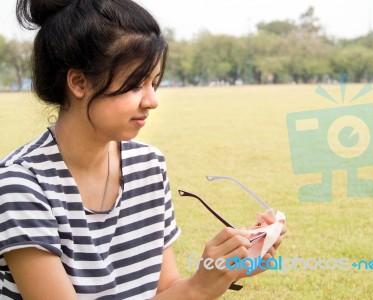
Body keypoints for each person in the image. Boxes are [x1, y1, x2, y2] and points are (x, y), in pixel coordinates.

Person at [0, 0, 285, 299]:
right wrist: (199, 287)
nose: (152, 100)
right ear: (79, 82)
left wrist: (225, 271)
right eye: (136, 84)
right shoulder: (21, 186)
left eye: (154, 83)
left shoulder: (147, 164)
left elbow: (166, 290)